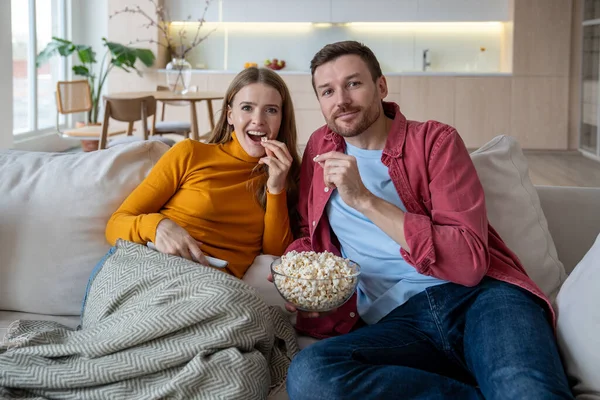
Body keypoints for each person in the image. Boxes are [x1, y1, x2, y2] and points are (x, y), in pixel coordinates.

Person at [282, 41, 573, 399]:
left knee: (527, 391)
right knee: (311, 376)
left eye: (353, 83)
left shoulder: (435, 142)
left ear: (381, 86)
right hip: (396, 323)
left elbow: (468, 264)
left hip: (479, 301)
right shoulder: (319, 147)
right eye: (327, 91)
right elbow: (308, 232)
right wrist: (296, 272)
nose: (341, 99)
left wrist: (366, 200)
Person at [105, 67, 301, 279]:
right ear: (230, 116)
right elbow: (115, 225)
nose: (258, 120)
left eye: (271, 110)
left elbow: (275, 257)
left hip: (215, 288)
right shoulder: (190, 153)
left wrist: (276, 188)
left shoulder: (286, 178)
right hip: (147, 268)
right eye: (247, 108)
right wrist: (157, 226)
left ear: (282, 119)